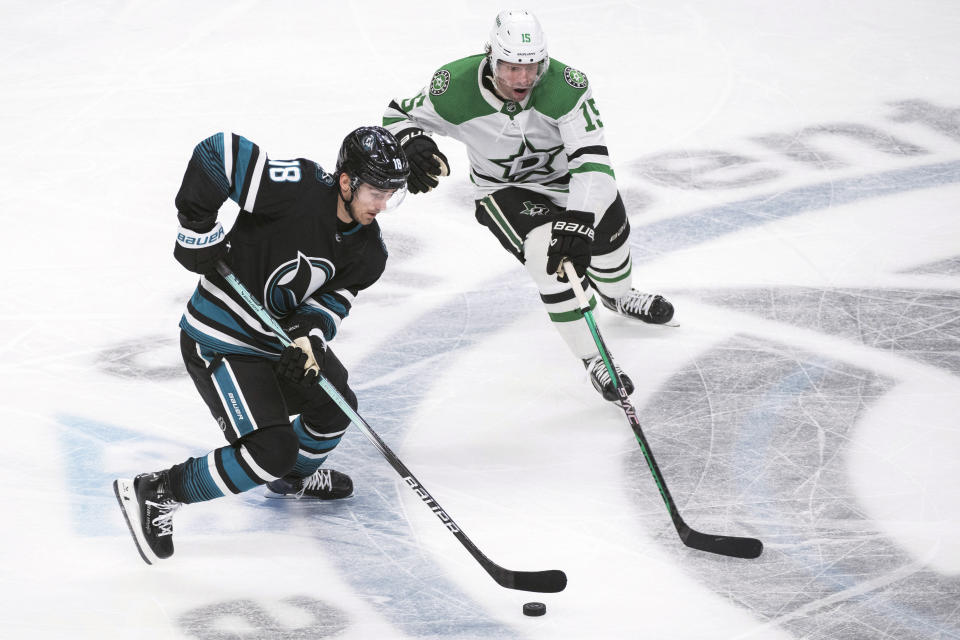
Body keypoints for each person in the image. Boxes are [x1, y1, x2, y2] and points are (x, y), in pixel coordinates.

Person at [113, 126, 410, 565]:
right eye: (376, 192)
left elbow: (331, 302)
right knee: (269, 450)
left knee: (336, 404)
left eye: (392, 195)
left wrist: (308, 337)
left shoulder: (370, 252)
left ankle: (291, 480)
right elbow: (219, 153)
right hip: (219, 339)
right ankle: (159, 491)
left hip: (273, 346)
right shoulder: (300, 188)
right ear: (346, 182)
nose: (382, 205)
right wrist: (198, 228)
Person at [383, 9, 675, 402]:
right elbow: (397, 115)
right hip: (505, 192)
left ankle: (618, 295)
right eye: (510, 67)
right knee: (548, 258)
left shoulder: (566, 87)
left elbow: (593, 162)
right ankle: (594, 357)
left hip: (570, 183)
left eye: (532, 66)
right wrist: (411, 140)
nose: (522, 79)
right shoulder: (454, 87)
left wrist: (580, 219)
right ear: (490, 56)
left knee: (609, 242)